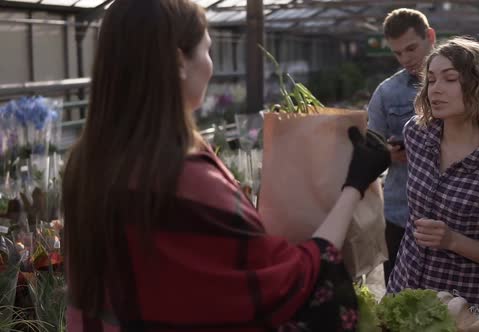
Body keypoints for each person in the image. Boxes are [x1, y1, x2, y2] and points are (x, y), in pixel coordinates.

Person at [61, 0, 390, 331]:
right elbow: (289, 280)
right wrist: (354, 185)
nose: (211, 65)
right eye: (207, 50)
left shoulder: (85, 165)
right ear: (178, 61)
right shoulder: (185, 176)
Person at [387, 37, 479, 316]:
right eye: (431, 80)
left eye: (450, 79)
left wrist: (453, 240)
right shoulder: (417, 134)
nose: (436, 90)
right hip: (405, 293)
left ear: (478, 85)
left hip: (468, 310)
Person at [367, 8, 436, 284]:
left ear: (430, 36)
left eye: (411, 48)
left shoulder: (464, 84)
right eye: (398, 53)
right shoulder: (387, 93)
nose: (406, 59)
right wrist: (388, 153)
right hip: (401, 214)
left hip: (454, 213)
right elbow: (371, 148)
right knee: (399, 300)